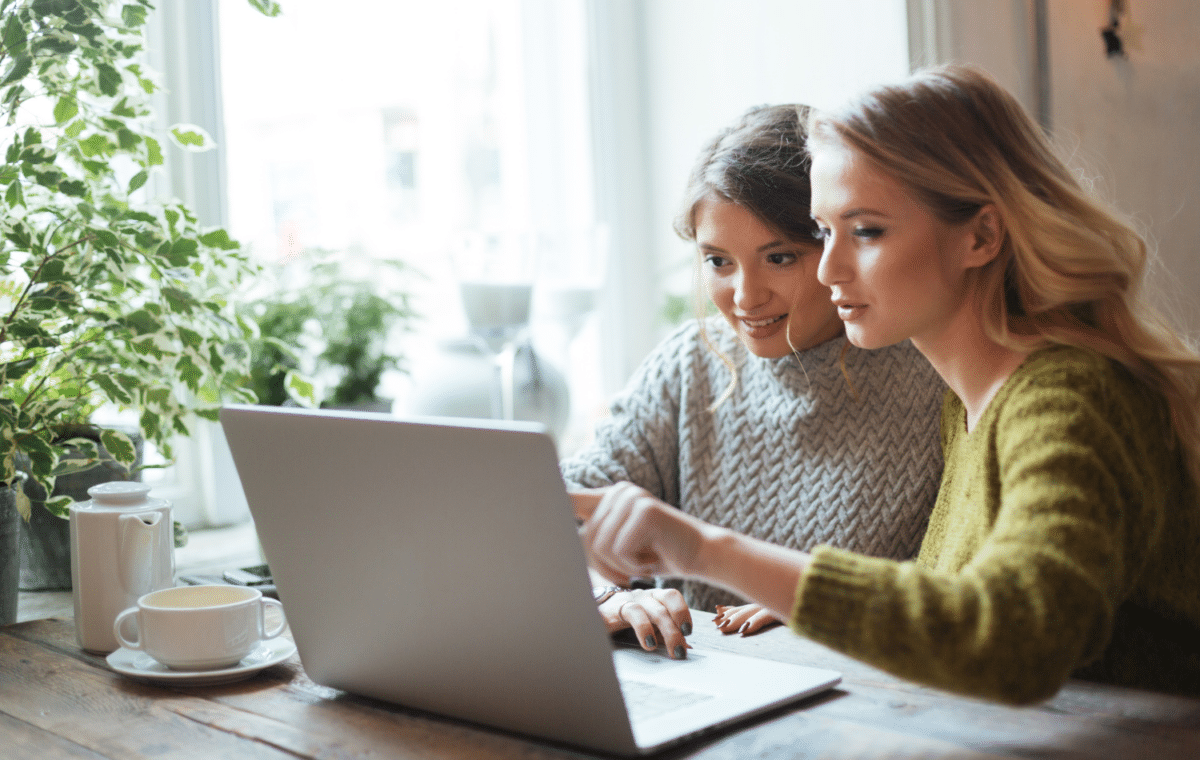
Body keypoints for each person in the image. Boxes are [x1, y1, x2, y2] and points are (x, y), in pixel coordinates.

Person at [578, 64, 1200, 703]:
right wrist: (833, 616)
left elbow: (1018, 640)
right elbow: (952, 612)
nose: (830, 267)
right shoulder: (970, 399)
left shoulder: (1070, 397)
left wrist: (708, 551)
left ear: (981, 236)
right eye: (823, 233)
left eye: (866, 231)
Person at [563, 104, 946, 660]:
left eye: (780, 257)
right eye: (719, 262)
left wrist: (816, 600)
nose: (745, 297)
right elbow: (560, 509)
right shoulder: (690, 364)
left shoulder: (933, 370)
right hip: (710, 685)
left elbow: (964, 586)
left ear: (839, 246)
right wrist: (604, 596)